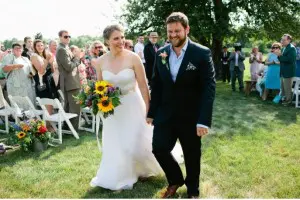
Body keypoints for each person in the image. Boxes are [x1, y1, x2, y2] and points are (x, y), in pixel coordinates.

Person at [147, 12, 216, 198]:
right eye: (169, 31)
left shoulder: (201, 53)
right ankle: (175, 179)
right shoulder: (161, 52)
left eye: (177, 30)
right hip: (165, 114)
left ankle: (193, 190)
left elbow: (209, 88)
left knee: (192, 154)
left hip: (191, 116)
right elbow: (157, 84)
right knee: (159, 148)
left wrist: (203, 120)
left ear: (187, 29)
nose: (173, 35)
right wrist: (151, 112)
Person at [90, 24, 163, 191]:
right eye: (116, 38)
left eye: (122, 37)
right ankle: (120, 175)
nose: (121, 41)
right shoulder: (100, 62)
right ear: (107, 41)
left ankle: (143, 169)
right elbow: (99, 87)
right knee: (116, 142)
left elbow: (144, 86)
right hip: (112, 109)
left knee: (135, 141)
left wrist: (148, 109)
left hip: (133, 103)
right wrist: (98, 102)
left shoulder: (133, 58)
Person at [56, 30, 82, 129]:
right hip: (70, 82)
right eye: (65, 36)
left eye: (69, 36)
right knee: (75, 106)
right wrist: (77, 59)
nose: (68, 38)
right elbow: (68, 66)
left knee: (69, 106)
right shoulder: (61, 49)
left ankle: (68, 128)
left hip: (71, 81)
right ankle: (74, 129)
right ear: (60, 37)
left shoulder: (65, 48)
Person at [0, 43, 36, 108]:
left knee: (30, 105)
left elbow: (32, 70)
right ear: (13, 50)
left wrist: (31, 74)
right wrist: (15, 66)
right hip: (15, 87)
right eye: (16, 48)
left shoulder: (25, 58)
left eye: (20, 48)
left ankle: (32, 118)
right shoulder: (9, 57)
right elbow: (4, 69)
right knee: (18, 107)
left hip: (28, 85)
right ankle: (19, 118)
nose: (18, 49)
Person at [31, 39, 58, 114]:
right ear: (35, 47)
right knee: (47, 110)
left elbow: (52, 71)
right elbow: (41, 71)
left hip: (50, 81)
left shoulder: (44, 55)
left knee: (51, 108)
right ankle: (47, 125)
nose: (40, 47)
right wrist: (47, 60)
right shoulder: (34, 56)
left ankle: (49, 125)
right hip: (43, 84)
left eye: (42, 45)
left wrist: (51, 62)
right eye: (38, 46)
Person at [273, 34, 297, 105]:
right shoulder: (284, 48)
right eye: (281, 39)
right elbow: (282, 59)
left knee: (287, 88)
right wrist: (279, 56)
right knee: (283, 88)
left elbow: (290, 60)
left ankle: (288, 101)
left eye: (284, 40)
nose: (282, 41)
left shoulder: (292, 48)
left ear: (289, 40)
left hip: (288, 71)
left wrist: (279, 55)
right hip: (283, 71)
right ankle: (283, 99)